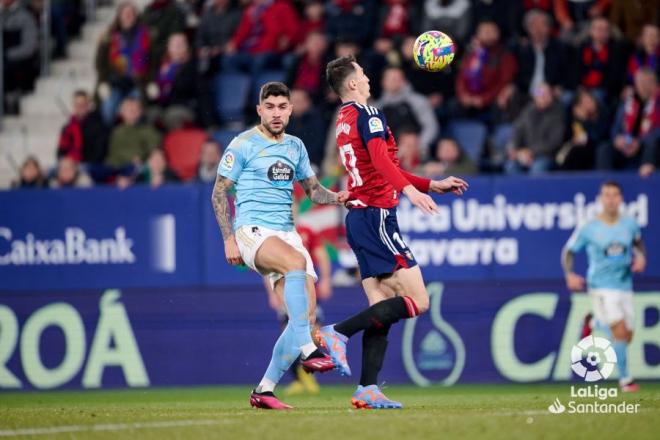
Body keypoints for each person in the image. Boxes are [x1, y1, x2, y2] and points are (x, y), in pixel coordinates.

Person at [320, 55, 468, 409]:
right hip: (377, 216)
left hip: (357, 219)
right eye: (364, 72)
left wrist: (431, 183)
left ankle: (367, 388)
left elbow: (381, 166)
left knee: (382, 307)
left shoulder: (343, 118)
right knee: (419, 301)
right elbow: (382, 161)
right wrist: (411, 191)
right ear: (353, 83)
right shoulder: (369, 113)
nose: (368, 77)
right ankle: (337, 332)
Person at [211, 82, 349, 409]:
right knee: (296, 266)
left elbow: (314, 191)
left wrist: (340, 197)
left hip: (287, 234)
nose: (276, 112)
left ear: (290, 110)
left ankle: (265, 389)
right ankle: (309, 351)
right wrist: (229, 238)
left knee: (305, 314)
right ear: (259, 110)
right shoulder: (243, 144)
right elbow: (219, 192)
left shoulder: (296, 147)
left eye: (282, 106)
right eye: (269, 106)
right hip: (251, 230)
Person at [562, 180, 646, 393]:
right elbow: (569, 251)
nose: (610, 199)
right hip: (601, 286)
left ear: (621, 199)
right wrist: (570, 274)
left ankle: (595, 321)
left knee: (627, 335)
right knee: (619, 331)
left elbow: (637, 242)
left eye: (615, 195)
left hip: (624, 284)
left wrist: (641, 257)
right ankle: (626, 380)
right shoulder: (589, 227)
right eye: (606, 195)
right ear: (600, 199)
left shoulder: (629, 224)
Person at [504, 83, 566, 175]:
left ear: (551, 96)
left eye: (546, 94)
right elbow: (516, 131)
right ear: (535, 96)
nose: (543, 97)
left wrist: (531, 152)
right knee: (510, 166)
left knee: (538, 168)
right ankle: (519, 190)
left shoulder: (558, 113)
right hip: (524, 154)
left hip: (545, 155)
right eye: (540, 94)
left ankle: (533, 190)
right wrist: (515, 151)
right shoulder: (528, 111)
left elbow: (555, 141)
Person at [57, 90, 109, 166]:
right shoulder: (67, 128)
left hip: (90, 165)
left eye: (83, 104)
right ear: (73, 106)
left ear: (88, 105)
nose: (80, 107)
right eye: (77, 105)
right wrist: (67, 163)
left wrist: (77, 165)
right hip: (70, 165)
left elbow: (99, 154)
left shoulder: (98, 125)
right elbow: (60, 152)